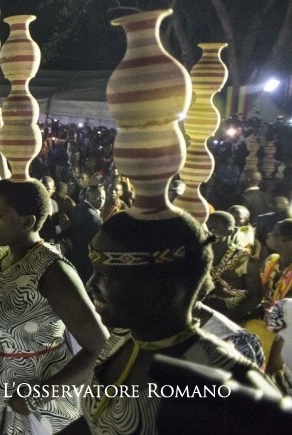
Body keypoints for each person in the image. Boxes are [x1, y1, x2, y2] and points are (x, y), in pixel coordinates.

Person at [71, 211, 277, 434]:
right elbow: (98, 421)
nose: (90, 284)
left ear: (165, 292)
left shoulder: (223, 376)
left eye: (105, 274)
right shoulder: (122, 338)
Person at [0, 179, 107, 434]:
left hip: (32, 400)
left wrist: (37, 396)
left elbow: (99, 347)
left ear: (28, 222)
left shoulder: (52, 271)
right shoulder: (2, 254)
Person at [203, 211, 262, 322]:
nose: (209, 232)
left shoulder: (245, 259)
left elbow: (256, 297)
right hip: (202, 313)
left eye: (214, 229)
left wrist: (225, 319)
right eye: (207, 227)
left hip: (233, 318)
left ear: (230, 232)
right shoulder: (199, 253)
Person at [66, 184, 105, 283]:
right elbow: (96, 243)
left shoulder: (77, 208)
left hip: (74, 255)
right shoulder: (94, 217)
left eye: (104, 198)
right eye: (98, 197)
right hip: (86, 260)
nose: (101, 200)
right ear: (88, 196)